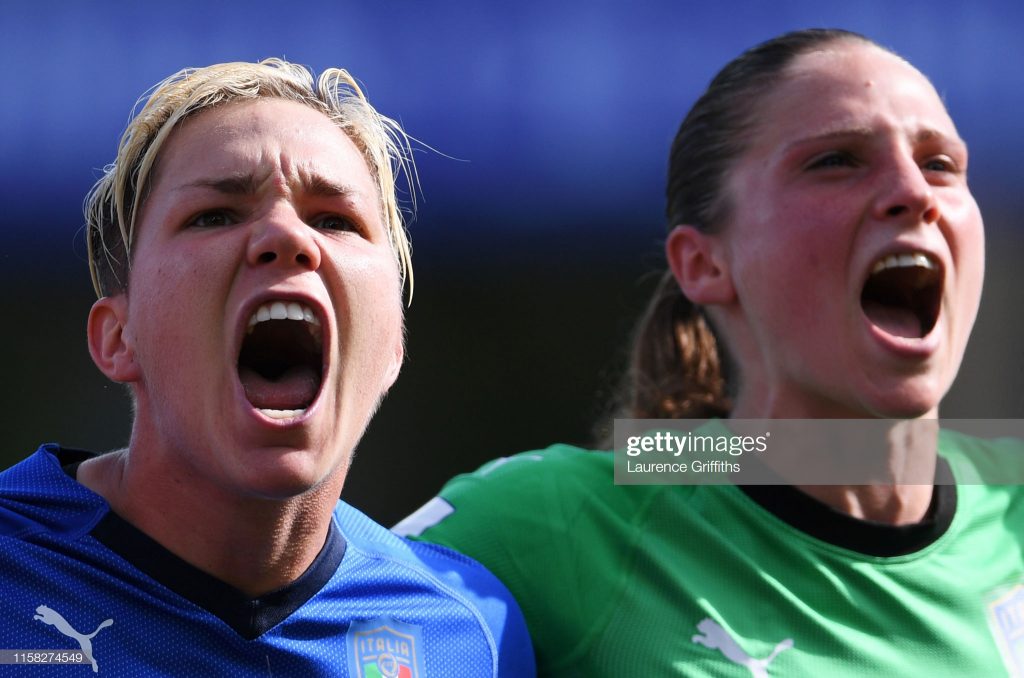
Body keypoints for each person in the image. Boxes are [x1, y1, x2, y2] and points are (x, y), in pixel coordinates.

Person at [397, 29, 1024, 676]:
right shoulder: (560, 519)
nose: (915, 192)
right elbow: (326, 624)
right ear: (704, 263)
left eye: (941, 164)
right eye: (836, 160)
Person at [0, 59, 533, 676]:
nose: (285, 234)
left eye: (335, 220)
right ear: (119, 338)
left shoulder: (469, 637)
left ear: (392, 348)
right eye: (216, 215)